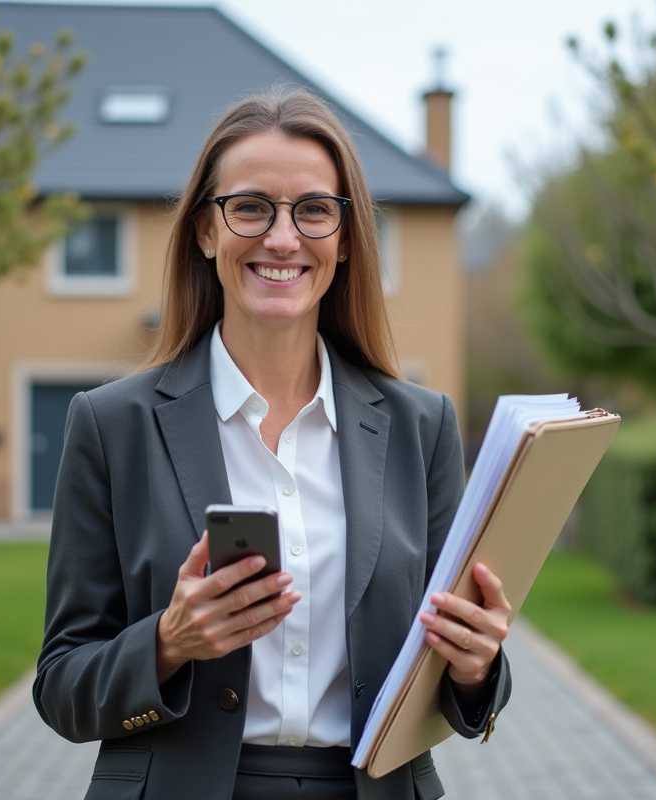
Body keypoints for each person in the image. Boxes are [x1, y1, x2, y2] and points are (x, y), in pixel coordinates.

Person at [34, 87, 512, 800]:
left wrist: (477, 669)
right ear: (205, 230)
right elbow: (63, 688)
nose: (283, 238)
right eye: (251, 206)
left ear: (347, 239)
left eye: (314, 210)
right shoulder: (112, 426)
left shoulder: (422, 427)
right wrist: (168, 642)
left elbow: (447, 684)